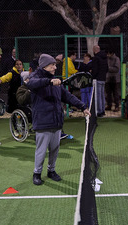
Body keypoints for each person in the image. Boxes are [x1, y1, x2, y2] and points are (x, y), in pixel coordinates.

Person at [27, 53, 90, 185]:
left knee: (55, 149)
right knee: (41, 150)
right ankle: (37, 173)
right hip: (43, 122)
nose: (55, 67)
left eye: (55, 65)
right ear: (44, 66)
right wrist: (49, 81)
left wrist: (82, 106)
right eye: (52, 65)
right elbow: (31, 84)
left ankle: (51, 171)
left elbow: (67, 96)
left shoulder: (56, 81)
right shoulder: (36, 77)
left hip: (56, 121)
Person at [91, 45, 109, 117]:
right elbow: (107, 68)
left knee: (98, 95)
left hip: (97, 79)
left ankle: (99, 111)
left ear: (95, 50)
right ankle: (103, 110)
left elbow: (95, 70)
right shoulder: (105, 58)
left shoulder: (96, 58)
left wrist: (93, 76)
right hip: (103, 78)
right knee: (102, 95)